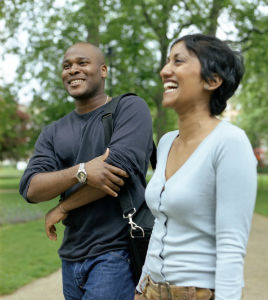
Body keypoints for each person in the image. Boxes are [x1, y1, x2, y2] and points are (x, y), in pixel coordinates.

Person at [19, 42, 153, 300]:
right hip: (71, 256)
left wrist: (62, 207)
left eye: (82, 63)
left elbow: (116, 171)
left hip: (117, 252)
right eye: (67, 66)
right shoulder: (53, 132)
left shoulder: (130, 108)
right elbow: (31, 188)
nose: (73, 70)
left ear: (103, 70)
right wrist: (81, 171)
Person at [135, 34, 257, 300]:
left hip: (195, 293)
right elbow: (160, 226)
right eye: (167, 62)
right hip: (150, 290)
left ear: (212, 80)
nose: (165, 70)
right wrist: (141, 287)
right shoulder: (166, 142)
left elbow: (231, 245)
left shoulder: (229, 142)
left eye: (178, 61)